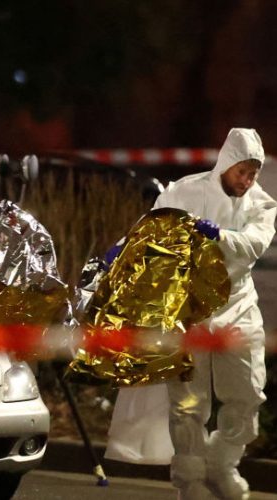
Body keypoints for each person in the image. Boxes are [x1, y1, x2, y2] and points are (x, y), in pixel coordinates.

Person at [115, 128, 275, 500]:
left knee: (248, 393)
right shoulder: (184, 192)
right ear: (227, 163)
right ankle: (190, 481)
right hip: (188, 308)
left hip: (238, 306)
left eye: (253, 174)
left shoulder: (262, 203)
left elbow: (253, 244)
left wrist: (218, 234)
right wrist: (119, 255)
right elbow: (150, 231)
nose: (247, 181)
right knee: (188, 402)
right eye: (242, 172)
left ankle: (222, 465)